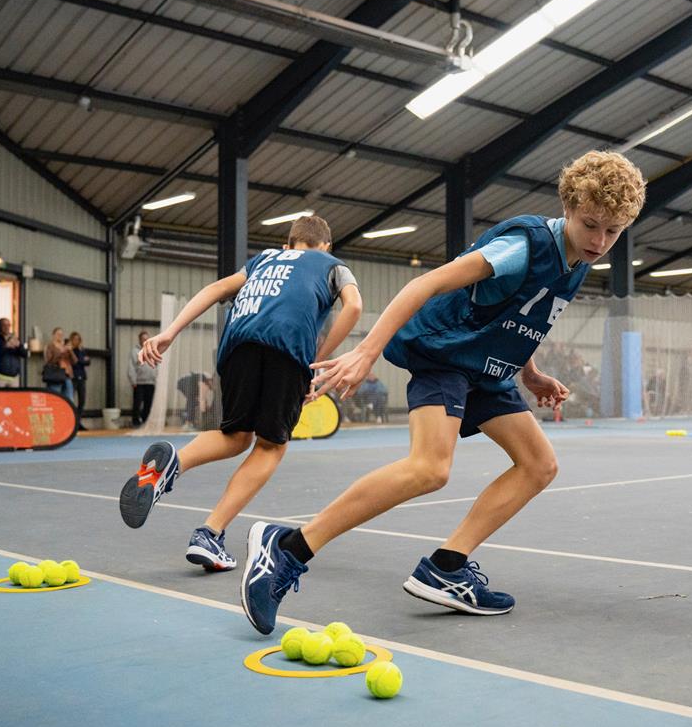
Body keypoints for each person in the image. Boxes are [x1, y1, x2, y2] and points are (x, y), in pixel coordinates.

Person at [236, 150, 647, 635]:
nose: (600, 240)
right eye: (590, 224)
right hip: (446, 352)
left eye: (613, 231)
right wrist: (367, 351)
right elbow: (424, 284)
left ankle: (447, 567)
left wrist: (530, 373)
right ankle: (287, 549)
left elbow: (518, 315)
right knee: (430, 468)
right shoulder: (523, 247)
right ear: (568, 208)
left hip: (486, 367)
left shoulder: (578, 259)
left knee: (539, 464)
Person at [118, 216, 362, 573]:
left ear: (287, 244)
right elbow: (354, 306)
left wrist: (169, 332)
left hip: (236, 345)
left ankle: (174, 465)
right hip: (287, 345)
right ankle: (209, 532)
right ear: (325, 246)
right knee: (271, 446)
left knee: (234, 435)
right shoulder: (332, 265)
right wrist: (318, 362)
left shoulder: (263, 259)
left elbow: (215, 289)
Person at [128, 331, 157, 427]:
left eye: (147, 338)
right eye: (143, 339)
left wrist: (156, 379)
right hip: (139, 382)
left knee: (148, 404)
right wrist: (133, 380)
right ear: (140, 340)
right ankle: (135, 422)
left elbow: (157, 365)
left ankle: (145, 421)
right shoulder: (135, 351)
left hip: (150, 382)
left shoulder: (152, 350)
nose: (145, 340)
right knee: (137, 403)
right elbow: (131, 367)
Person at [43, 326, 76, 403]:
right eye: (58, 334)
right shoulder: (50, 346)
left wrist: (70, 351)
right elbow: (49, 361)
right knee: (55, 397)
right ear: (53, 335)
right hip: (56, 374)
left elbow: (75, 361)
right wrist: (61, 352)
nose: (60, 336)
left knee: (69, 398)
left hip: (67, 374)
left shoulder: (65, 345)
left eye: (61, 334)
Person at [0, 318, 27, 387]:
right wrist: (6, 346)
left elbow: (24, 354)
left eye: (8, 325)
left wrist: (19, 346)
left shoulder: (14, 338)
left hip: (14, 377)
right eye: (4, 325)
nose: (6, 327)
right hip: (0, 376)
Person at [69, 332, 90, 429]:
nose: (76, 341)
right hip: (73, 378)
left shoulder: (82, 350)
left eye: (78, 339)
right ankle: (72, 422)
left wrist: (81, 360)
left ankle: (78, 421)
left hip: (82, 377)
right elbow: (75, 362)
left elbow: (87, 362)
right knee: (71, 400)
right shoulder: (70, 351)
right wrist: (81, 360)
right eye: (74, 339)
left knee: (82, 401)